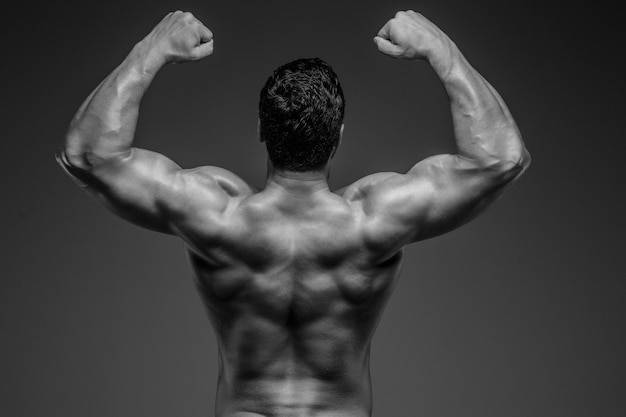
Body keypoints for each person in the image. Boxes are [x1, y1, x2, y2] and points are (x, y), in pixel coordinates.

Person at [56, 9, 530, 417]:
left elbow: (88, 155)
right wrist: (439, 49)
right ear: (339, 133)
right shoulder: (374, 220)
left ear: (262, 128)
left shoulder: (218, 217)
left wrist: (152, 50)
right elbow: (501, 159)